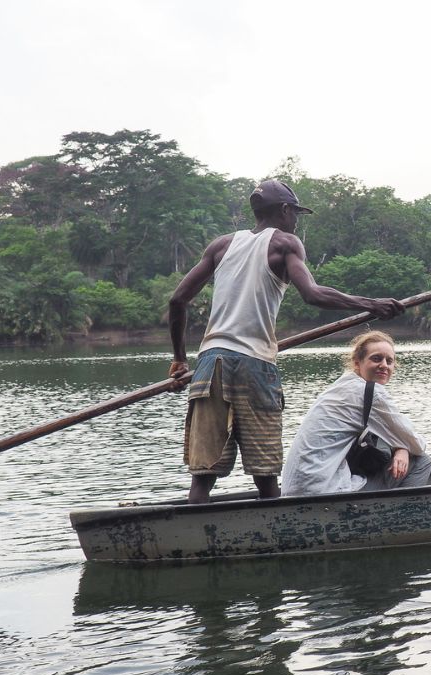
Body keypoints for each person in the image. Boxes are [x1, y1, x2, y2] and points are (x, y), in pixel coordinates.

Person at [168, 180, 405, 504]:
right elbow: (312, 294)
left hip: (211, 364)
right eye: (295, 213)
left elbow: (177, 301)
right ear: (284, 210)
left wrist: (181, 360)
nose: (296, 220)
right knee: (265, 475)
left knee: (203, 476)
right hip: (255, 363)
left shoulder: (221, 245)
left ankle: (191, 541)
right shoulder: (284, 243)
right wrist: (371, 305)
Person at [281, 331, 431, 495]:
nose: (384, 365)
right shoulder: (369, 393)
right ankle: (399, 518)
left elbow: (398, 434)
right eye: (376, 358)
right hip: (323, 491)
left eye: (389, 361)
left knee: (383, 443)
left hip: (294, 490)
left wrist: (401, 446)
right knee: (421, 461)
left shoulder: (342, 386)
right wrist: (404, 447)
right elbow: (416, 444)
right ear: (357, 363)